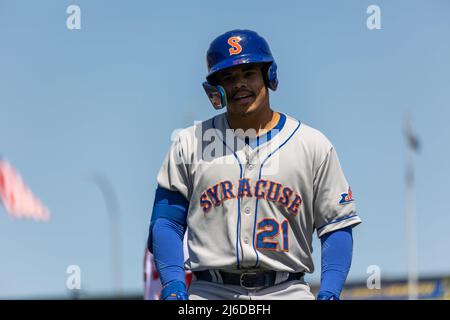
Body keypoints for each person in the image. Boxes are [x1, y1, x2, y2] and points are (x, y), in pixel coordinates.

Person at [147, 29, 362, 300]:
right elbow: (166, 222)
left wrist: (330, 291)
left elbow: (336, 226)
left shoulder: (312, 144)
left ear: (268, 76)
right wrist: (174, 285)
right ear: (216, 90)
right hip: (210, 291)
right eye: (229, 78)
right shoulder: (189, 143)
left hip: (288, 289)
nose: (239, 84)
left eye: (248, 73)